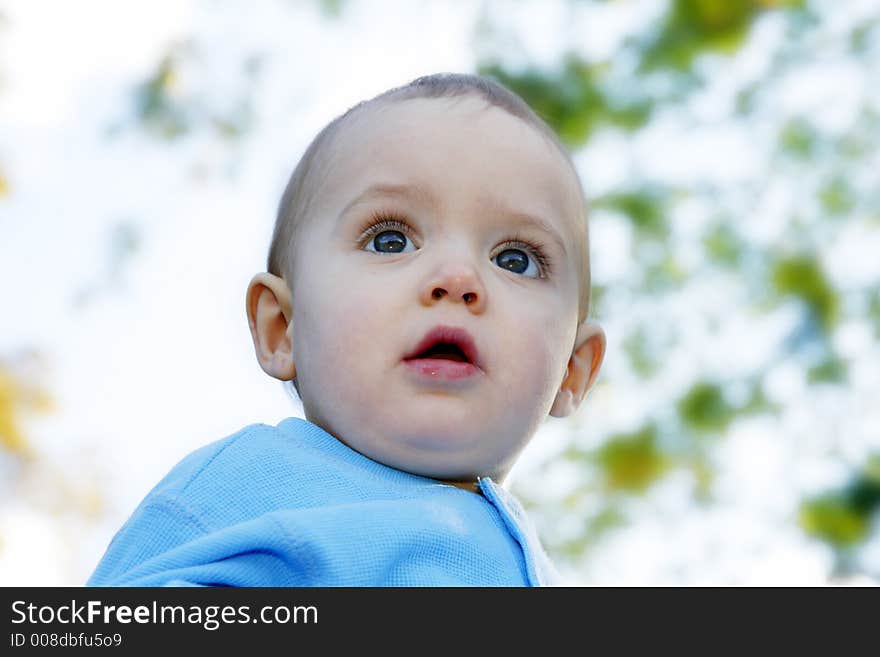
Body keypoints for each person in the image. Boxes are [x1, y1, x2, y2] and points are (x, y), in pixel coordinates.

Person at [87, 72, 606, 586]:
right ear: (282, 328)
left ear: (572, 371)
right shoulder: (244, 488)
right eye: (391, 240)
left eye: (515, 260)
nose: (457, 279)